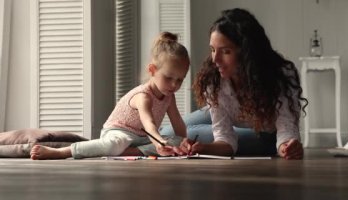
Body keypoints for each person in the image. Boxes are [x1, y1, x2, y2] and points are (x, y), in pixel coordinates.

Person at [162, 8, 308, 160]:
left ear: (246, 52)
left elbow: (286, 127)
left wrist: (287, 146)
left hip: (267, 136)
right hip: (226, 117)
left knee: (184, 135)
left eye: (225, 52)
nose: (215, 60)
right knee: (167, 132)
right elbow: (223, 135)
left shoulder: (281, 74)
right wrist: (204, 146)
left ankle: (144, 144)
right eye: (213, 50)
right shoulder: (215, 79)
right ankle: (140, 142)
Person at [30, 32, 190, 159]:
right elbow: (149, 124)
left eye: (180, 80)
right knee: (115, 144)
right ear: (152, 70)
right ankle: (63, 152)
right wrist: (159, 142)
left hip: (142, 138)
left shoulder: (169, 97)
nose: (174, 85)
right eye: (169, 78)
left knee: (174, 141)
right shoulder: (144, 96)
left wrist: (184, 143)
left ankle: (128, 152)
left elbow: (178, 123)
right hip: (119, 132)